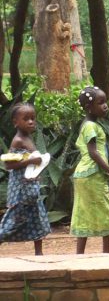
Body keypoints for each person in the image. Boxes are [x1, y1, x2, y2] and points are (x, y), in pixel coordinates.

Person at [71, 86, 109, 253]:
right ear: (89, 108)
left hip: (84, 174)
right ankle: (106, 254)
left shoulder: (90, 124)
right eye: (101, 103)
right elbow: (93, 153)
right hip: (92, 174)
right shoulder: (91, 127)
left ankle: (80, 254)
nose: (105, 106)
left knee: (83, 211)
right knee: (107, 209)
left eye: (105, 102)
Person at [0, 103, 51, 255]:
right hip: (20, 189)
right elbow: (9, 164)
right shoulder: (18, 141)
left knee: (37, 218)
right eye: (26, 119)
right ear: (16, 122)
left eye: (33, 118)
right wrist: (30, 162)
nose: (30, 122)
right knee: (14, 220)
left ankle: (39, 253)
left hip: (31, 187)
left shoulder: (28, 137)